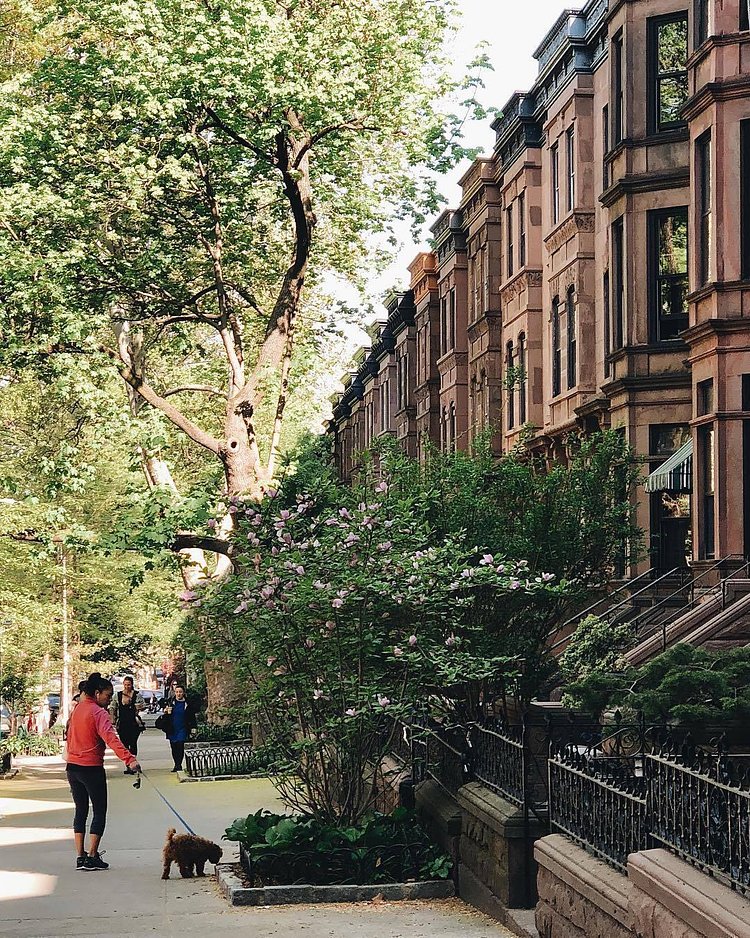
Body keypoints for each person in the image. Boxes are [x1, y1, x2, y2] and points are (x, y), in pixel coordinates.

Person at [64, 672, 141, 871]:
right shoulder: (98, 713)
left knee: (81, 810)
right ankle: (92, 855)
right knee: (99, 810)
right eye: (107, 695)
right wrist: (130, 759)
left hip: (72, 767)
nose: (109, 699)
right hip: (91, 768)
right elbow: (111, 738)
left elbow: (69, 736)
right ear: (97, 693)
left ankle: (80, 856)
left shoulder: (77, 709)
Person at [156, 684, 197, 772]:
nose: (178, 694)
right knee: (174, 747)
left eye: (180, 692)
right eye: (177, 692)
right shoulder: (170, 702)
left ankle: (179, 764)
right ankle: (176, 763)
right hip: (172, 728)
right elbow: (161, 703)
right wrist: (166, 711)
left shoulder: (187, 704)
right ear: (174, 693)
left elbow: (192, 717)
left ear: (184, 693)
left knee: (180, 745)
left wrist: (193, 728)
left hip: (183, 728)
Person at [110, 677, 145, 775]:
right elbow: (112, 707)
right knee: (124, 744)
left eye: (128, 684)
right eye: (125, 684)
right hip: (122, 723)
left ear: (132, 684)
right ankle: (128, 765)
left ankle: (133, 764)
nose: (126, 686)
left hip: (134, 723)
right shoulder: (117, 695)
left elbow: (143, 705)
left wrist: (138, 707)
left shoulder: (137, 695)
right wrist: (112, 718)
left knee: (133, 743)